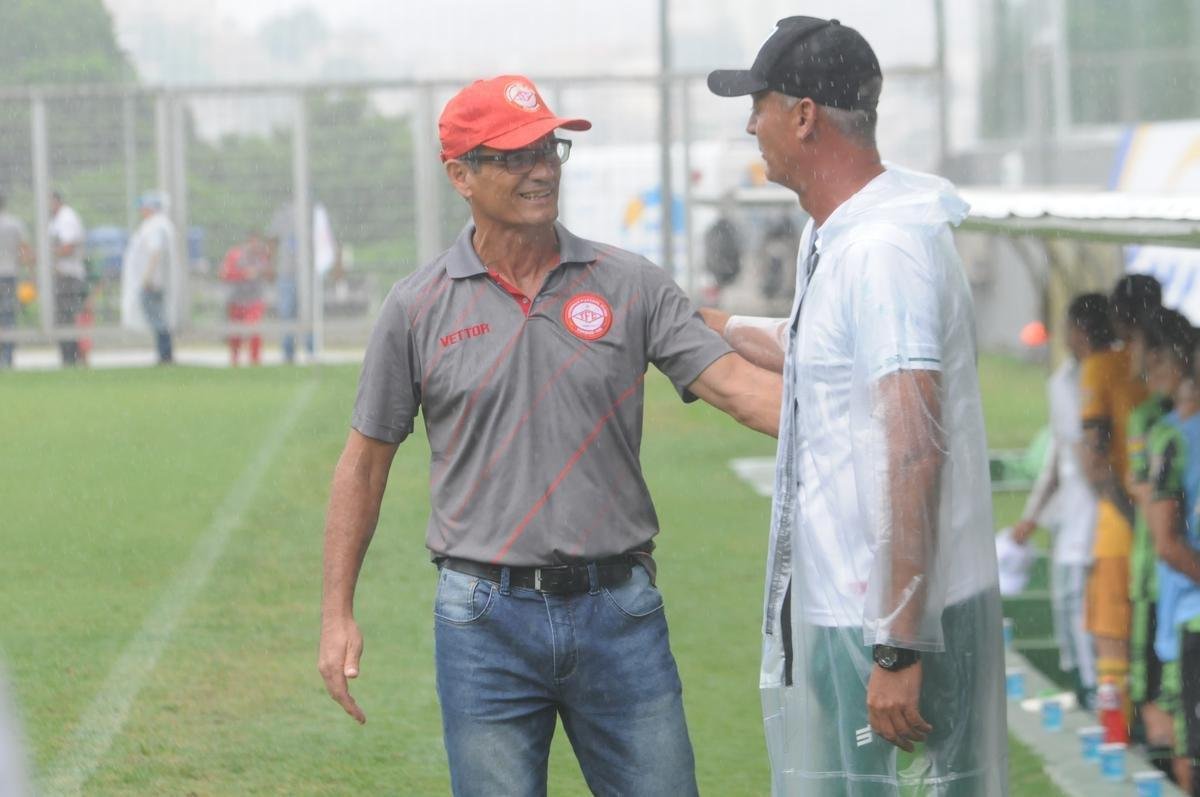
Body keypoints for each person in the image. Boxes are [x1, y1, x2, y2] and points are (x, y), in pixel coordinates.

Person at [317, 74, 782, 797]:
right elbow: (364, 464)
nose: (540, 170)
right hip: (482, 622)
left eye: (548, 149)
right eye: (513, 156)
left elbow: (738, 387)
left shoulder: (629, 283)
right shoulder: (416, 307)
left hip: (619, 612)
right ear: (460, 175)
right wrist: (337, 612)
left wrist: (866, 427)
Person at [705, 17, 1006, 794]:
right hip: (860, 605)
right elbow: (825, 353)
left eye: (760, 105)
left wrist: (898, 643)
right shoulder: (842, 232)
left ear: (804, 116)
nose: (750, 125)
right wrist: (704, 324)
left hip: (890, 617)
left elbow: (914, 443)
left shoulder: (883, 250)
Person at [1012, 296, 1103, 710]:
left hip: (1100, 513)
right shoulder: (1063, 381)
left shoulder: (1104, 376)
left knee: (1088, 602)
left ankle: (1097, 689)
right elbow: (1059, 457)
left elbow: (1089, 454)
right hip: (1072, 513)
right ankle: (1083, 682)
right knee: (1068, 600)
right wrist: (1031, 515)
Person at [1076, 279, 1152, 728]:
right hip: (1174, 527)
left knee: (1112, 647)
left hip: (1121, 529)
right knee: (1161, 643)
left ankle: (1118, 744)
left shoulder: (1101, 367)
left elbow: (1095, 459)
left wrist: (1133, 517)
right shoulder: (1175, 363)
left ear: (1118, 317)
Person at [1143, 309, 1200, 791]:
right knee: (1190, 747)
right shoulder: (1172, 438)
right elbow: (1166, 543)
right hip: (1190, 617)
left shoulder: (1172, 436)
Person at [119, 191, 177, 365]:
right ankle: (164, 354)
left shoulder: (156, 226)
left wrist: (147, 278)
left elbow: (155, 252)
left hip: (151, 282)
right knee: (158, 318)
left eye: (143, 207)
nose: (141, 211)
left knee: (158, 319)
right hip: (153, 281)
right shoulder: (156, 225)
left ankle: (165, 355)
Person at [219, 231, 270, 366]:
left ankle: (255, 361)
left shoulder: (262, 257)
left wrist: (259, 272)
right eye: (252, 243)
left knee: (253, 329)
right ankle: (234, 360)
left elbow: (269, 274)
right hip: (236, 300)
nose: (254, 246)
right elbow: (224, 273)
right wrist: (243, 273)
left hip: (254, 300)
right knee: (235, 333)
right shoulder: (234, 255)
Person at [48, 190, 87, 366]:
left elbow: (68, 247)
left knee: (67, 318)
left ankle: (71, 357)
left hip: (68, 276)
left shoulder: (66, 218)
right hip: (61, 276)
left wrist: (45, 255)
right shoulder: (56, 220)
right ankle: (67, 357)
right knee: (63, 318)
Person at [0, 194, 33, 369]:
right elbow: (24, 251)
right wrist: (30, 275)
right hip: (9, 274)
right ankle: (7, 356)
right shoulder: (14, 224)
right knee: (7, 316)